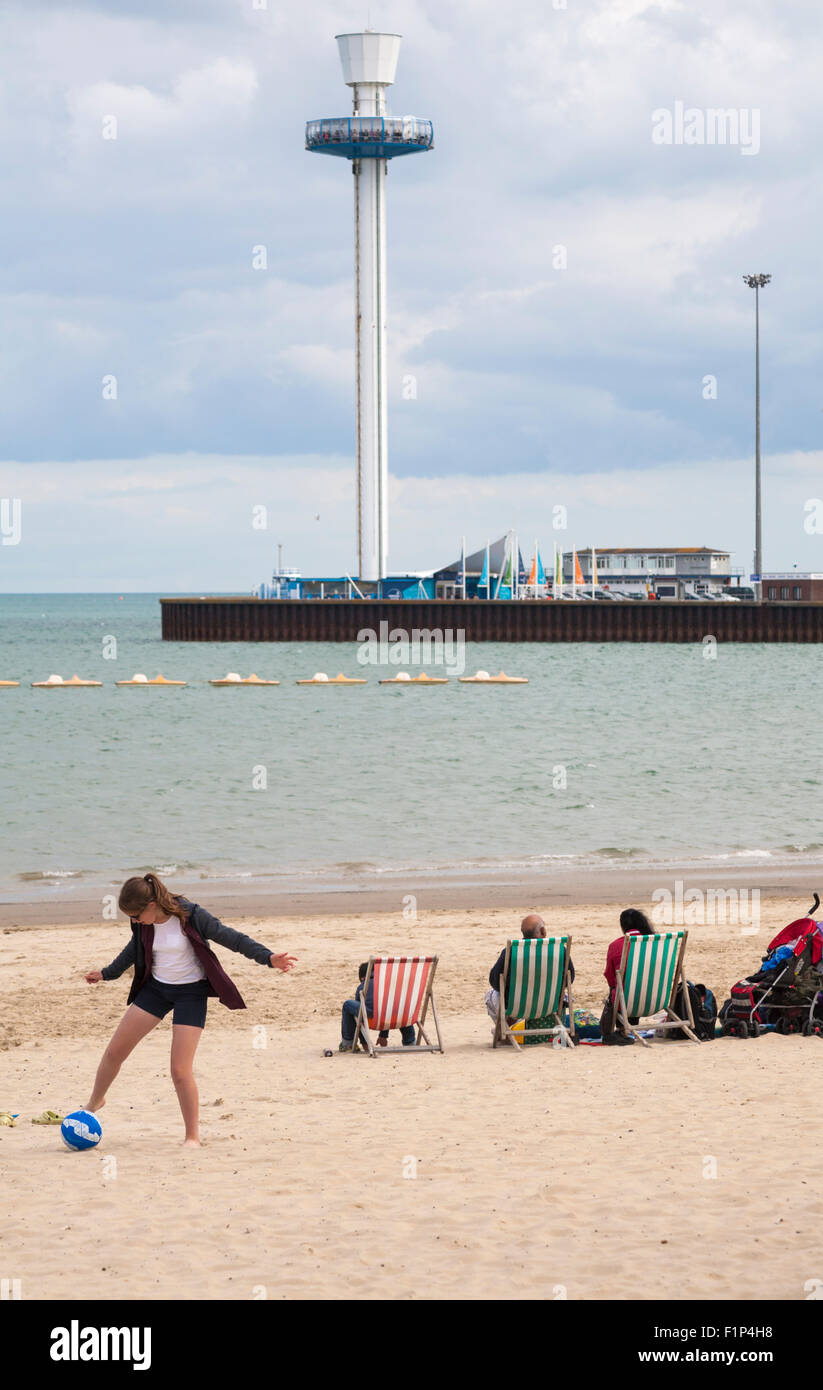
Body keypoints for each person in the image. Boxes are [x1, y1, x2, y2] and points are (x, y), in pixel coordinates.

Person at [83, 872, 297, 1146]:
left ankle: (192, 1137)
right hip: (156, 990)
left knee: (179, 1070)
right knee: (115, 1051)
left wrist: (268, 957)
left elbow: (230, 937)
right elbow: (133, 949)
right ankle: (94, 1102)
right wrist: (106, 973)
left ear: (150, 905)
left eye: (136, 916)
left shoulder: (191, 915)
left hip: (191, 993)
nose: (134, 922)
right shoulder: (143, 924)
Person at [485, 913, 575, 1027]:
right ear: (543, 931)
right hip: (550, 1004)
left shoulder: (512, 951)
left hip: (516, 1006)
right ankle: (516, 1027)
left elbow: (495, 982)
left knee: (490, 996)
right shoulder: (559, 950)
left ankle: (509, 1030)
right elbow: (569, 979)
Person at [599, 907, 655, 1043]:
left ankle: (620, 1028)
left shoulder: (616, 945)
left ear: (623, 925)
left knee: (618, 988)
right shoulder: (656, 943)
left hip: (626, 1003)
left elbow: (610, 977)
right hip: (655, 999)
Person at [339, 961, 416, 1052]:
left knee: (348, 1005)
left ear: (363, 977)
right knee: (400, 1006)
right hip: (393, 1019)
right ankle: (410, 1042)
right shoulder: (390, 985)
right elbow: (386, 1009)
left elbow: (359, 1017)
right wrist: (383, 1036)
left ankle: (347, 1044)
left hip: (371, 1020)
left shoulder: (363, 986)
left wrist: (365, 1043)